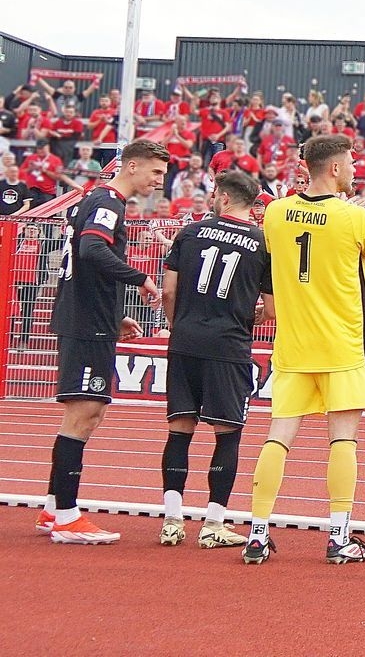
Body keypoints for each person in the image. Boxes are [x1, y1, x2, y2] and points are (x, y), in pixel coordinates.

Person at [242, 134, 365, 564]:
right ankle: (339, 536)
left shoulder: (276, 212)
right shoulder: (354, 217)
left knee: (277, 438)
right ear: (335, 168)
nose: (356, 170)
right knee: (343, 440)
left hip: (293, 346)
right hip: (342, 346)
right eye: (352, 163)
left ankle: (257, 533)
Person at [39, 139, 169, 544]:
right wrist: (140, 278)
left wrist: (114, 315)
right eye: (155, 172)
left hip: (91, 317)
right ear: (131, 166)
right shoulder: (107, 202)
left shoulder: (97, 200)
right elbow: (92, 250)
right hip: (85, 323)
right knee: (84, 413)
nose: (159, 181)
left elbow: (86, 263)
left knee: (87, 412)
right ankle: (67, 516)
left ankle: (52, 508)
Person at [156, 169, 272, 549]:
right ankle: (214, 523)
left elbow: (168, 292)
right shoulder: (261, 243)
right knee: (227, 433)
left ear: (223, 197)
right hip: (228, 346)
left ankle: (171, 521)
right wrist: (252, 315)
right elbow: (271, 308)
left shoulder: (188, 233)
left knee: (179, 429)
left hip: (185, 341)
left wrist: (177, 326)